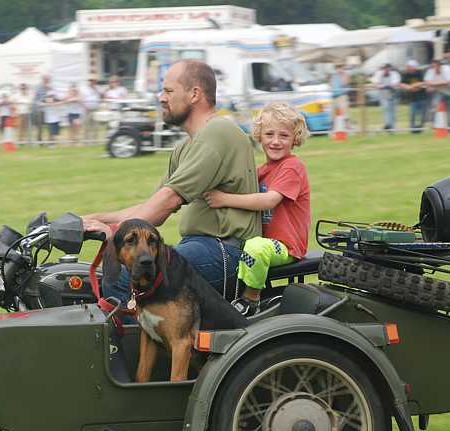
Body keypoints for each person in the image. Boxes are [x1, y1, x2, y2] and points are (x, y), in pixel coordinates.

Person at [83, 59, 261, 303]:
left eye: (168, 91)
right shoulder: (185, 147)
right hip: (198, 245)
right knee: (106, 273)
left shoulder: (219, 131)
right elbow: (151, 208)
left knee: (123, 276)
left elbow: (168, 201)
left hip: (224, 251)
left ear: (194, 94)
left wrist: (113, 234)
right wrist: (91, 220)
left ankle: (135, 341)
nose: (161, 98)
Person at [203, 102, 311, 316]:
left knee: (255, 248)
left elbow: (268, 201)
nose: (276, 141)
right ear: (259, 136)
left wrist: (224, 199)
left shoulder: (293, 167)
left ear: (295, 139)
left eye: (284, 136)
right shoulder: (262, 170)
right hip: (266, 240)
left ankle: (251, 300)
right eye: (269, 134)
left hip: (286, 245)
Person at [399, 60, 427, 133]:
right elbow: (401, 84)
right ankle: (412, 129)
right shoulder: (405, 74)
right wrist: (407, 87)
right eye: (407, 67)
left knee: (422, 115)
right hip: (412, 98)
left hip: (422, 97)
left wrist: (414, 85)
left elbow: (424, 82)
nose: (408, 68)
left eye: (409, 67)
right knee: (412, 114)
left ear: (414, 67)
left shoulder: (420, 73)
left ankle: (420, 128)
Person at [372, 63, 401, 132]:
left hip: (394, 94)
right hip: (383, 94)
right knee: (386, 108)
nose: (386, 69)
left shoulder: (395, 74)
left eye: (388, 68)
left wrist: (382, 86)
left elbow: (395, 84)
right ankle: (388, 125)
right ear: (383, 68)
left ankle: (391, 128)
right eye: (385, 68)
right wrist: (384, 86)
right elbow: (376, 85)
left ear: (390, 68)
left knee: (393, 111)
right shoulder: (378, 73)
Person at [80, 77, 101, 145]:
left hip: (95, 109)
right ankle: (86, 142)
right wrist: (85, 106)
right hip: (87, 110)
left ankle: (95, 141)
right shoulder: (84, 89)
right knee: (86, 126)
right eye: (91, 81)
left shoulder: (97, 88)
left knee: (95, 126)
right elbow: (81, 99)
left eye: (94, 81)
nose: (92, 82)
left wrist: (95, 90)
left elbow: (101, 97)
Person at [32, 75, 53, 145]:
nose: (47, 80)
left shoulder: (50, 88)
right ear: (43, 79)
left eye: (48, 79)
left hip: (48, 110)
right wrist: (40, 103)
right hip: (40, 110)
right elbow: (34, 100)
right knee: (40, 127)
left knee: (50, 126)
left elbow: (53, 97)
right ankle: (39, 142)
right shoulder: (38, 88)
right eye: (46, 79)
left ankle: (50, 142)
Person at [331, 62, 351, 127]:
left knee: (345, 111)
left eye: (340, 67)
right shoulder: (334, 76)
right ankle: (333, 128)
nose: (339, 69)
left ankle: (348, 126)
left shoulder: (345, 75)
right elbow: (332, 85)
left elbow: (345, 83)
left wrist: (344, 77)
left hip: (342, 95)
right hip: (334, 96)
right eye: (337, 67)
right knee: (333, 113)